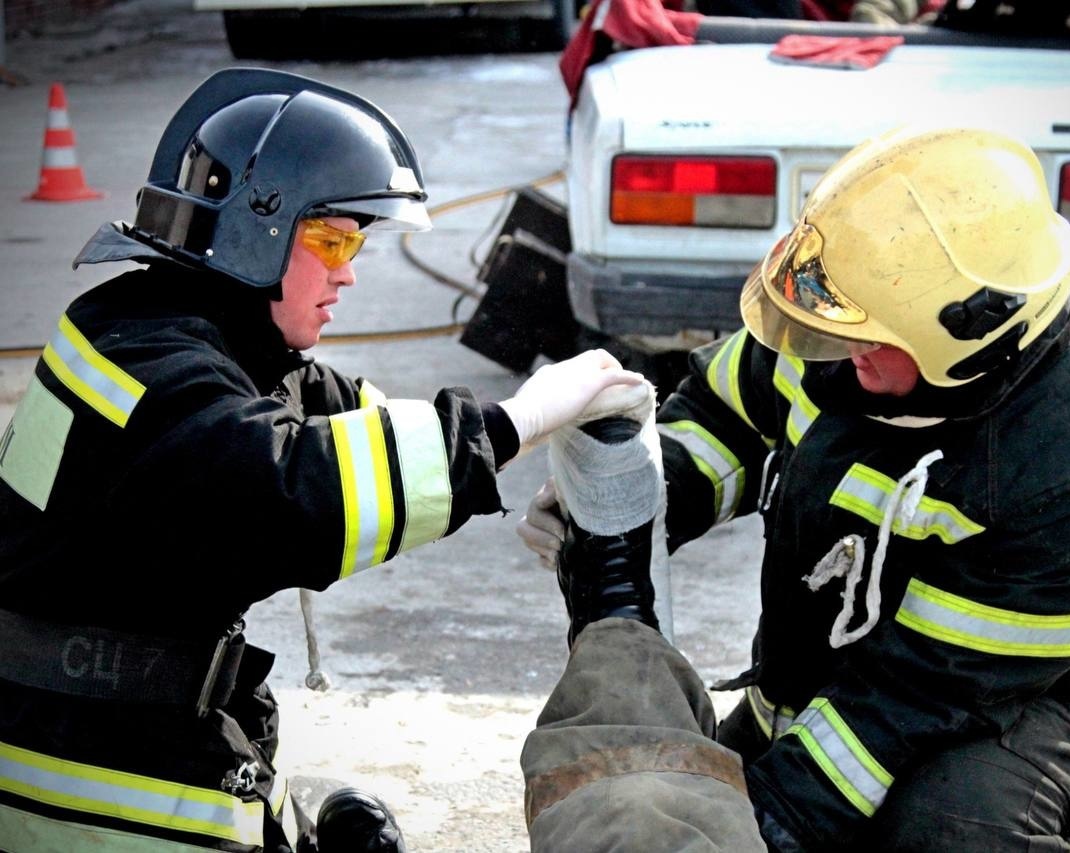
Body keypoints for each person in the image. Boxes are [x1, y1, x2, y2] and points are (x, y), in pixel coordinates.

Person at [0, 68, 641, 853]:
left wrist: (531, 454)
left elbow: (348, 423)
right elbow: (301, 489)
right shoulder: (157, 374)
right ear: (255, 232)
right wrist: (518, 417)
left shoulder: (158, 326)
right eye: (332, 240)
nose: (349, 270)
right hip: (88, 789)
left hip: (100, 733)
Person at [518, 125, 1070, 851]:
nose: (839, 347)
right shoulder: (859, 321)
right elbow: (723, 416)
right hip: (825, 669)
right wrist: (631, 504)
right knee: (673, 798)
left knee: (951, 826)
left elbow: (916, 698)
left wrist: (771, 816)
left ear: (969, 338)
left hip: (1009, 705)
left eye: (868, 335)